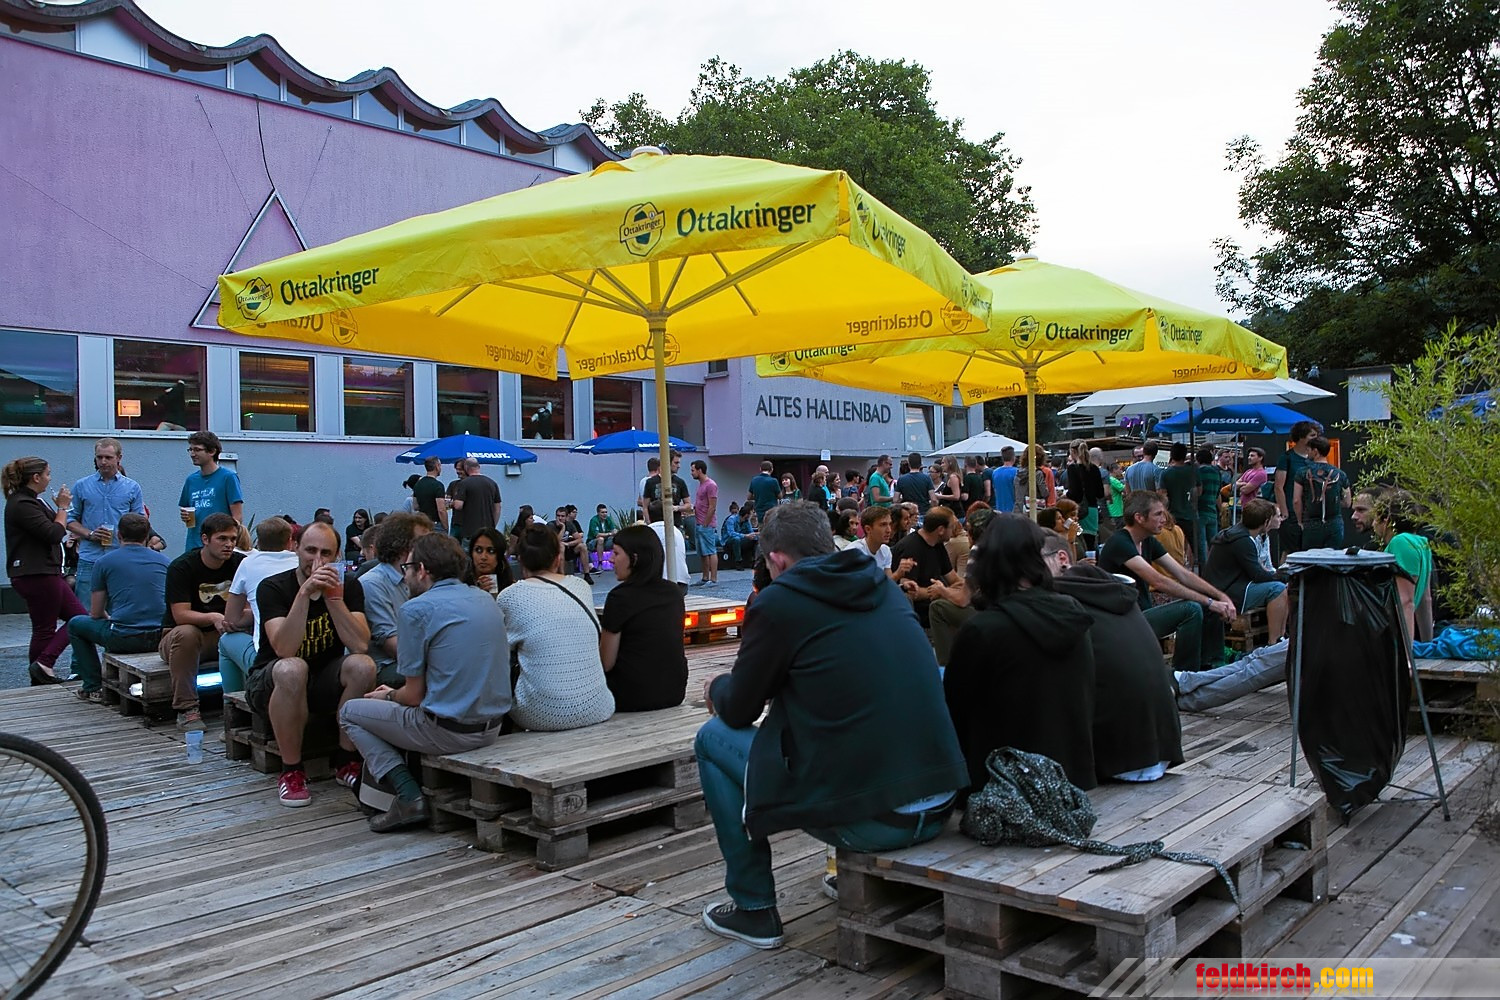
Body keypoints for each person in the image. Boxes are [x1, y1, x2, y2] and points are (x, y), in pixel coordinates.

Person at [696, 502, 966, 949]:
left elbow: (740, 711)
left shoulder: (779, 602)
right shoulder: (881, 586)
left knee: (712, 739)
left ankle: (753, 907)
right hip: (939, 803)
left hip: (876, 821)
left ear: (777, 559)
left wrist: (717, 686)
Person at [342, 532, 511, 832]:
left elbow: (413, 697)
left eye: (406, 568)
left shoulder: (415, 610)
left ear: (421, 570)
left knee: (350, 712)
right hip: (491, 727)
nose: (404, 576)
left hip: (448, 732)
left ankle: (408, 795)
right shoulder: (485, 599)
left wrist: (388, 696)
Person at [945, 514, 1098, 794]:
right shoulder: (1073, 612)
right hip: (1071, 780)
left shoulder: (983, 630)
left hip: (1007, 784)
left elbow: (956, 709)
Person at [246, 520, 375, 806]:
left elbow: (359, 644)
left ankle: (346, 760)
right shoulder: (273, 587)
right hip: (273, 681)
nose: (317, 560)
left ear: (337, 556)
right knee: (294, 668)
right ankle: (291, 770)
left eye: (326, 553)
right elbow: (284, 648)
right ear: (295, 548)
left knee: (363, 665)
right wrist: (304, 593)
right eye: (311, 551)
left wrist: (333, 597)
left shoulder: (349, 586)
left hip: (322, 678)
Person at [1046, 540, 1183, 783]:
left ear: (1062, 559)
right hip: (1160, 751)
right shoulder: (1114, 590)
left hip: (1120, 760)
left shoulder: (1063, 601)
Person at [1098, 493, 1237, 673]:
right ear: (1139, 518)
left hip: (1142, 615)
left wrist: (1220, 596)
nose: (1164, 519)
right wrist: (1209, 601)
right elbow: (1158, 581)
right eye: (1158, 514)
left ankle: (1212, 665)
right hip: (1124, 622)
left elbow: (1183, 574)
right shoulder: (1120, 543)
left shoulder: (1147, 541)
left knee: (1209, 604)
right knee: (1192, 609)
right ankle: (1183, 674)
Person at [497, 524, 615, 731]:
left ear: (521, 560)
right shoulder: (580, 586)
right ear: (558, 558)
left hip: (538, 713)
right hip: (598, 706)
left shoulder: (510, 596)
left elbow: (499, 653)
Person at [64, 512, 168, 702]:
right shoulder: (165, 562)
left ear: (118, 534)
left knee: (76, 624)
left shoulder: (104, 562)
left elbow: (96, 613)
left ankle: (92, 687)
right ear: (147, 536)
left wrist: (110, 618)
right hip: (161, 637)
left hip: (125, 638)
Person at [5, 456, 86, 685]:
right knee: (45, 628)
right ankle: (42, 668)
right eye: (47, 474)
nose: (50, 478)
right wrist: (62, 507)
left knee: (79, 618)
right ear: (36, 477)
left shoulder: (33, 501)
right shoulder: (22, 504)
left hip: (47, 572)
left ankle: (42, 667)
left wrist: (60, 510)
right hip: (36, 574)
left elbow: (56, 525)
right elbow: (53, 533)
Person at [160, 513, 244, 730]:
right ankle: (187, 709)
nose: (229, 544)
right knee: (187, 633)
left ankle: (248, 705)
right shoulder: (182, 567)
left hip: (225, 634)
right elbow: (181, 615)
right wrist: (213, 617)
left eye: (233, 539)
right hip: (179, 639)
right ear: (205, 539)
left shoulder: (241, 564)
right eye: (222, 538)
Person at [600, 524, 688, 711]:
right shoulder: (673, 592)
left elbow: (606, 662)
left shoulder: (619, 597)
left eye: (616, 553)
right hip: (673, 691)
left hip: (630, 695)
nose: (611, 560)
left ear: (634, 558)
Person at [219, 517, 299, 693]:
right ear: (290, 541)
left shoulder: (248, 564)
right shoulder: (301, 563)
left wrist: (260, 614)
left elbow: (231, 619)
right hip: (302, 649)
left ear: (259, 542)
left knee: (225, 641)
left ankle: (233, 700)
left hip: (267, 656)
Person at [64, 437, 146, 606]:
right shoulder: (82, 485)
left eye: (108, 457)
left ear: (119, 458)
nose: (103, 462)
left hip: (121, 555)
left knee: (120, 606)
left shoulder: (132, 487)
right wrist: (89, 534)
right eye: (99, 457)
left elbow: (140, 522)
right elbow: (69, 519)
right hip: (90, 557)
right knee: (87, 607)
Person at [359, 512, 433, 687]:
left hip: (416, 658)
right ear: (402, 546)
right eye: (423, 543)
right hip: (387, 666)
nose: (431, 549)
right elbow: (393, 646)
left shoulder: (422, 577)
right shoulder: (373, 583)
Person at [1204, 499, 1290, 643]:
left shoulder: (1236, 534)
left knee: (1281, 586)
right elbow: (1257, 575)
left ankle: (1281, 637)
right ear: (1266, 522)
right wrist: (1282, 576)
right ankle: (1274, 641)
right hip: (1229, 591)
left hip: (1226, 586)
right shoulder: (1243, 540)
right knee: (1278, 589)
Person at [1362, 488, 1435, 642]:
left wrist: (1406, 652)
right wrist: (1428, 643)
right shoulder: (1422, 543)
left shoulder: (1401, 543)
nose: (1373, 524)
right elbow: (1425, 599)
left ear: (1386, 520)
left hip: (1391, 635)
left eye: (1375, 518)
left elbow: (1405, 601)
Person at [178, 430, 243, 551]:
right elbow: (187, 508)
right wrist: (185, 515)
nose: (192, 454)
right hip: (194, 545)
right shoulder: (191, 480)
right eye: (190, 450)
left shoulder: (228, 477)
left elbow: (237, 517)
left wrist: (228, 542)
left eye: (197, 450)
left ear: (212, 451)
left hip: (218, 547)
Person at [1273, 420, 1321, 558]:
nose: (1316, 438)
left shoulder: (1314, 459)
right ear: (1301, 437)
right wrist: (1284, 511)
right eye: (1312, 435)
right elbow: (1278, 486)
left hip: (1310, 513)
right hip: (1291, 511)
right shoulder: (1287, 458)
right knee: (1289, 550)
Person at [1294, 436, 1350, 550]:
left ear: (1315, 451)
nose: (1307, 453)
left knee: (1311, 557)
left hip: (1311, 523)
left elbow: (1296, 500)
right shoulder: (1340, 474)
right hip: (1335, 524)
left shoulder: (1302, 472)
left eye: (1309, 450)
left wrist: (1300, 522)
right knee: (1333, 557)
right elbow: (1347, 502)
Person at [1160, 442, 1200, 567]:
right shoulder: (1193, 472)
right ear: (1184, 455)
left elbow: (1162, 496)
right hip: (1191, 514)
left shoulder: (1166, 473)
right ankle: (1194, 571)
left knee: (1175, 546)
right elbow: (1199, 491)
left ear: (1172, 455)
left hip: (1172, 516)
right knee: (1195, 548)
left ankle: (1177, 569)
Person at [451, 458, 502, 545]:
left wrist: (453, 502)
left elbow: (458, 506)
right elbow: (498, 508)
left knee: (467, 551)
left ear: (466, 468)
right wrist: (493, 525)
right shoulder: (492, 483)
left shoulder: (464, 483)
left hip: (470, 530)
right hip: (487, 531)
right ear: (478, 467)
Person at [1065, 439, 1105, 551]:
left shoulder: (1072, 469)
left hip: (1079, 511)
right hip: (1093, 510)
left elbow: (1074, 493)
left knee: (1078, 544)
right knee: (1091, 544)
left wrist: (1065, 495)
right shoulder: (1095, 468)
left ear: (1073, 451)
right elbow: (1100, 493)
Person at [644, 450, 693, 534]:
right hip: (656, 525)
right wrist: (649, 524)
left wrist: (676, 508)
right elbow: (645, 506)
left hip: (675, 525)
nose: (679, 466)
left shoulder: (680, 482)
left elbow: (688, 505)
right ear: (667, 463)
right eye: (676, 463)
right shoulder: (651, 482)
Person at [690, 459, 720, 586]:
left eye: (693, 470)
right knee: (703, 552)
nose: (691, 473)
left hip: (706, 524)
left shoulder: (711, 485)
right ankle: (705, 577)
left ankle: (713, 579)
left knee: (710, 551)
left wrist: (705, 523)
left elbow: (712, 506)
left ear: (700, 470)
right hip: (699, 522)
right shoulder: (702, 485)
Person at [468, 526, 515, 602]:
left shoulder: (510, 588)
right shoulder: (460, 584)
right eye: (478, 550)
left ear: (499, 556)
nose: (483, 557)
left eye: (491, 551)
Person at [550, 505, 594, 584]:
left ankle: (587, 574)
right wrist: (563, 528)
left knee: (582, 546)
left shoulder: (570, 524)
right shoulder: (551, 525)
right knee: (561, 546)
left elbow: (579, 539)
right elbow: (556, 541)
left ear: (566, 517)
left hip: (568, 549)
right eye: (558, 516)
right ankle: (562, 576)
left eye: (562, 516)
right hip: (555, 551)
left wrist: (568, 544)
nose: (560, 518)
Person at [1195, 446, 1223, 564]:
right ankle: (1215, 567)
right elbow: (1218, 494)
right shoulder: (1217, 473)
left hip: (1200, 511)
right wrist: (1220, 510)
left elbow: (1196, 492)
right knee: (1213, 544)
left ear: (1198, 459)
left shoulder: (1198, 472)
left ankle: (1204, 570)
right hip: (1213, 511)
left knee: (1201, 544)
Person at [412, 457, 448, 531]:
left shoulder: (418, 484)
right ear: (437, 466)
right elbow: (441, 510)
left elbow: (415, 506)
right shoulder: (438, 485)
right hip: (435, 525)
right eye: (440, 465)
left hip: (422, 523)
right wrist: (446, 527)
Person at [721, 504, 758, 570]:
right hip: (728, 541)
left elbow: (750, 531)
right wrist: (745, 536)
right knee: (736, 539)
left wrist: (753, 535)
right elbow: (731, 533)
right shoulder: (731, 519)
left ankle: (753, 560)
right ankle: (738, 561)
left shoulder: (746, 521)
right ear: (746, 515)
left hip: (741, 539)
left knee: (755, 539)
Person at [586, 503, 618, 569]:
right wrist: (610, 534)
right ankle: (600, 563)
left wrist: (615, 531)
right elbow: (597, 535)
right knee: (601, 539)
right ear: (598, 513)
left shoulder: (608, 519)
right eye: (602, 512)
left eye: (606, 512)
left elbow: (613, 529)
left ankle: (616, 561)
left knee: (617, 539)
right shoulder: (594, 520)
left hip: (605, 541)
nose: (604, 514)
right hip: (592, 542)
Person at [989, 446, 1018, 514]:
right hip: (1014, 510)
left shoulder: (995, 472)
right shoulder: (1016, 472)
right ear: (1013, 458)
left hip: (999, 510)